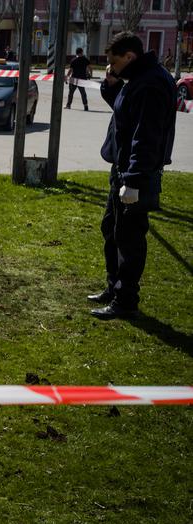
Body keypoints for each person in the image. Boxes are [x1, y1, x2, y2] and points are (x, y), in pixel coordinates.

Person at [89, 32, 176, 319]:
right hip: (123, 171)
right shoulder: (138, 80)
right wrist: (111, 86)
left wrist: (134, 180)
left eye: (114, 63)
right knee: (111, 229)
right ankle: (113, 287)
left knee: (129, 238)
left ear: (130, 57)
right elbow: (125, 112)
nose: (111, 68)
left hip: (136, 175)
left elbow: (146, 136)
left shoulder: (151, 83)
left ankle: (126, 301)